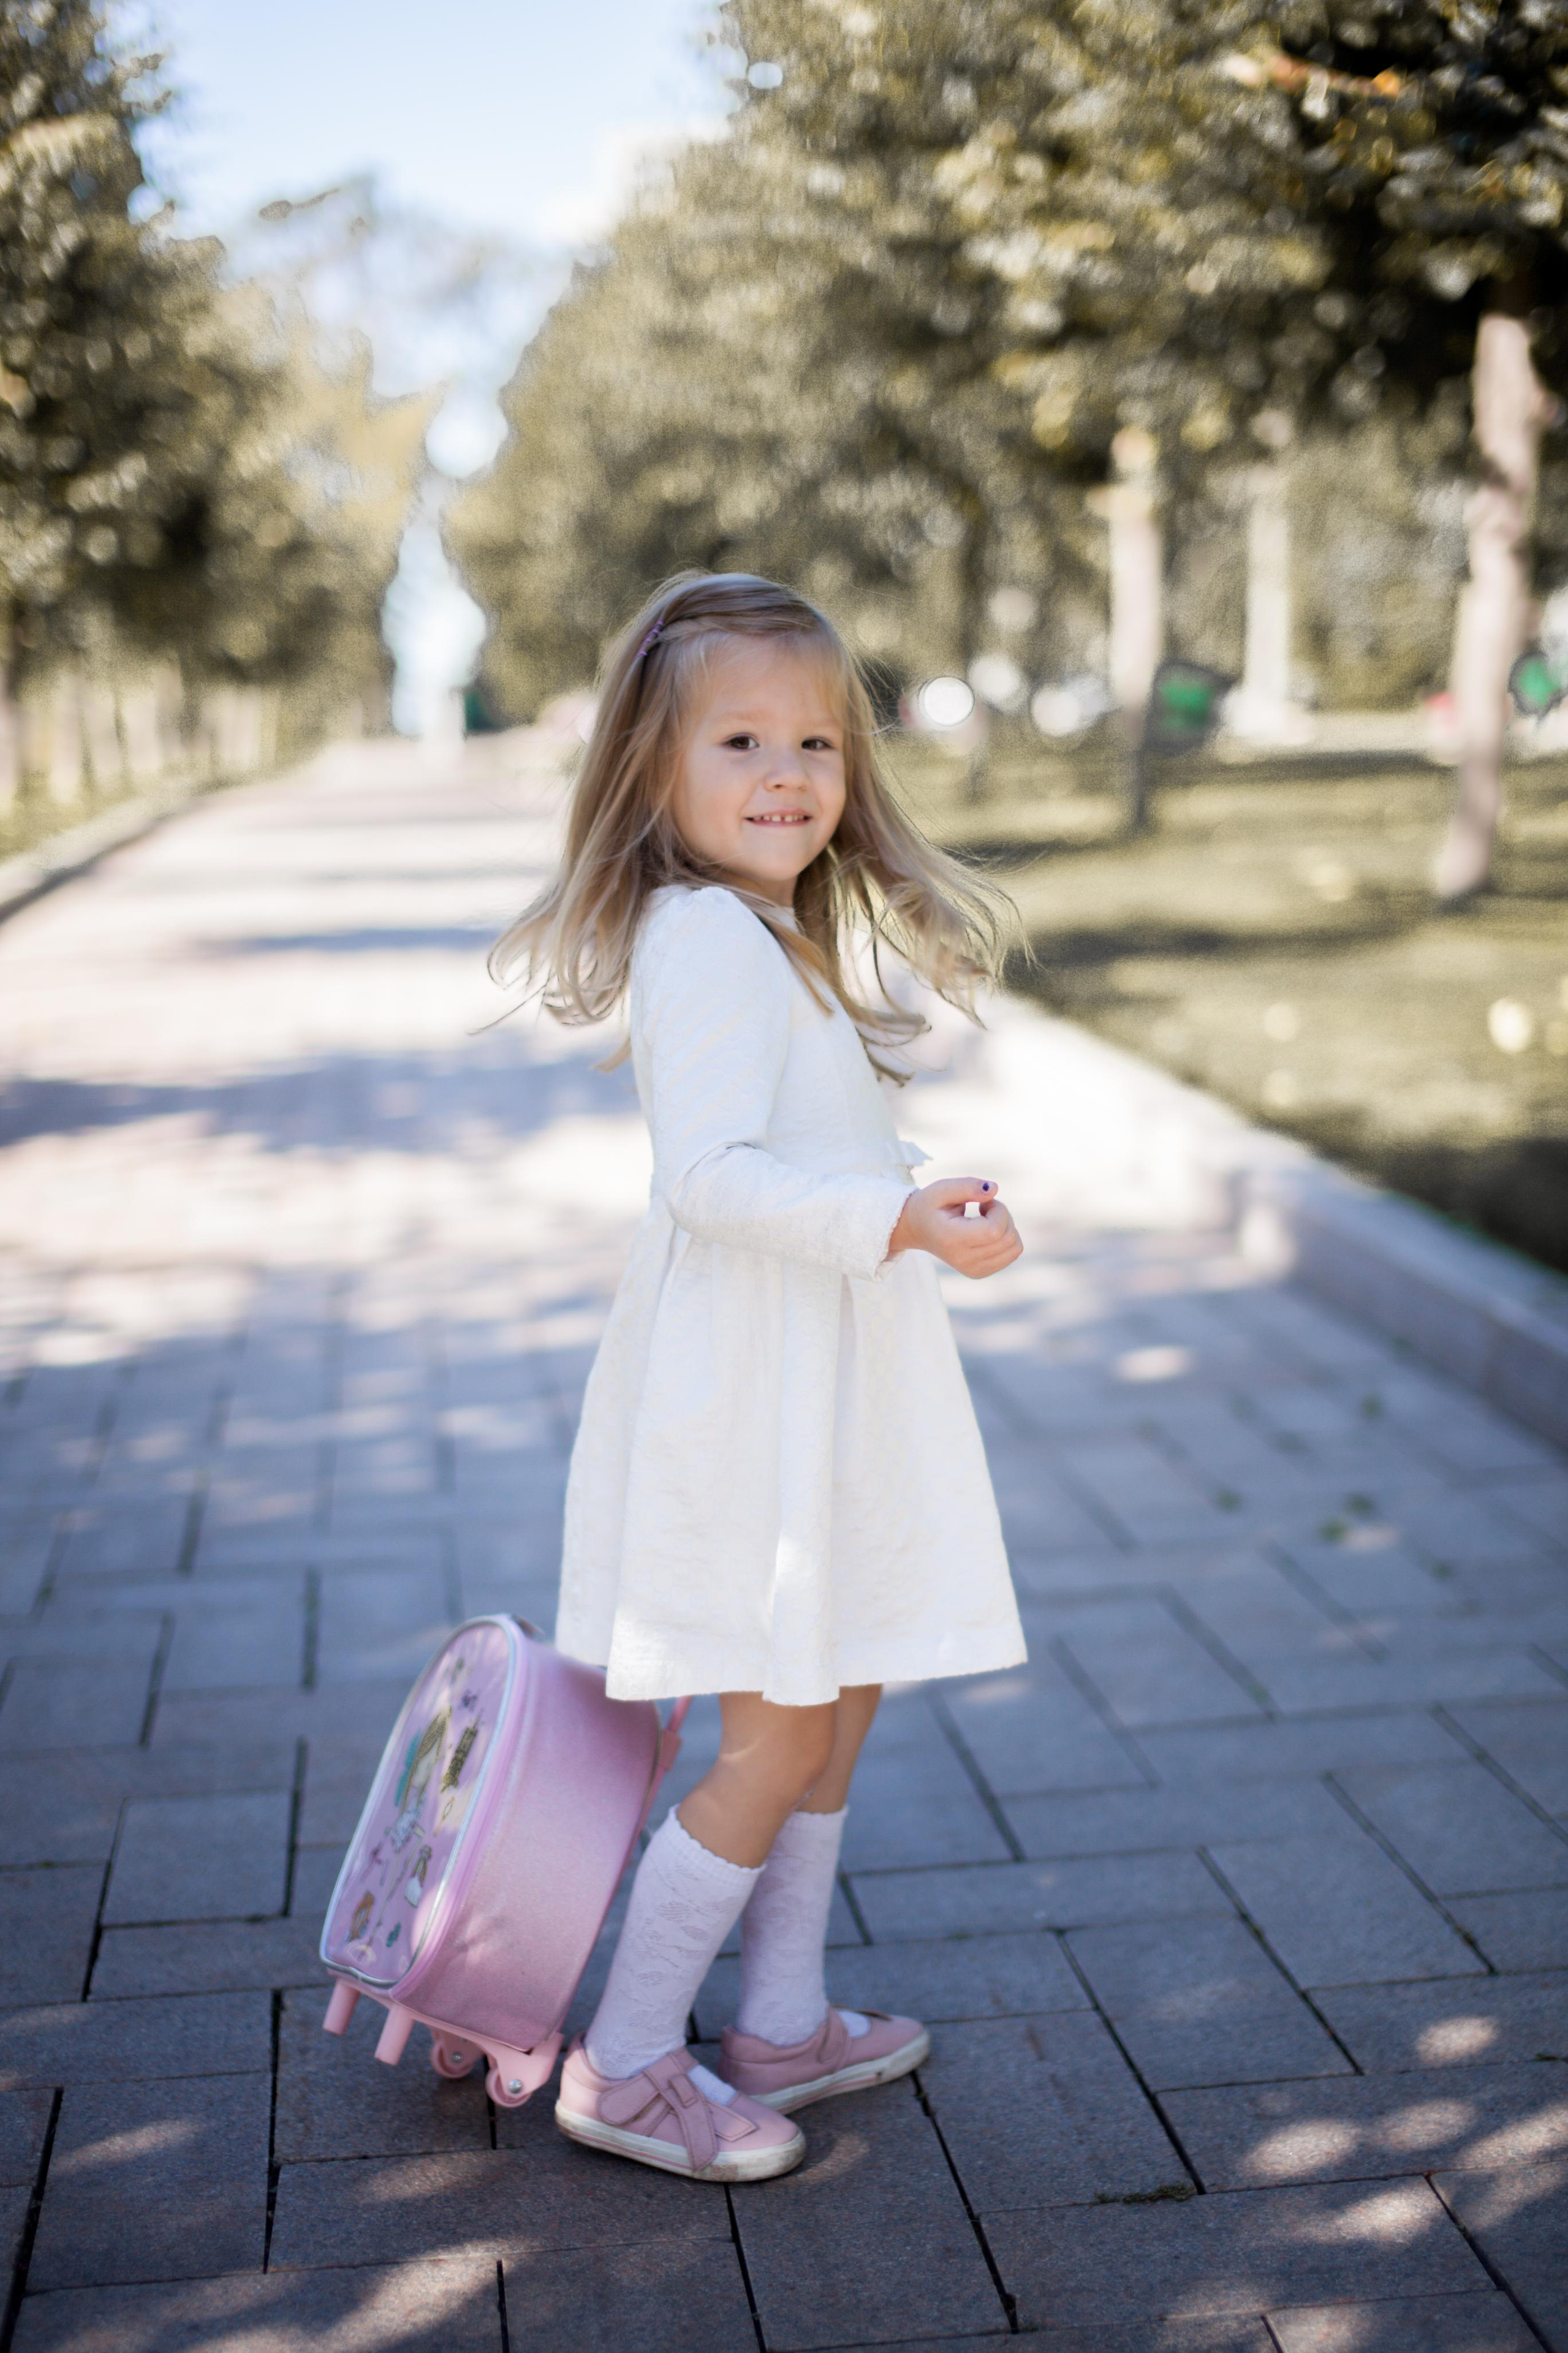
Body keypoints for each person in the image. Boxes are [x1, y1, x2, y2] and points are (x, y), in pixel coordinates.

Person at [493, 571, 1026, 2183]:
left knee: (838, 1698)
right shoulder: (708, 932)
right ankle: (633, 2058)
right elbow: (709, 1179)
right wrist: (899, 1219)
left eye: (815, 741)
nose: (786, 771)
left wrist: (906, 1184)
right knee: (780, 1731)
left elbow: (801, 1142)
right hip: (754, 1399)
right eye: (739, 739)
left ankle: (781, 2022)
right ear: (657, 771)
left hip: (823, 1372)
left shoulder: (770, 926)